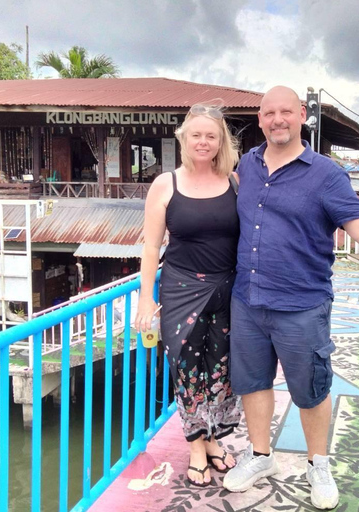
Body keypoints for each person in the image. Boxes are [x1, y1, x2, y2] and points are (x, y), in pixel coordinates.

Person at [222, 86, 359, 509]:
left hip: (302, 304)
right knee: (253, 384)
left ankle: (318, 462)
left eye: (285, 111)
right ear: (259, 119)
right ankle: (260, 456)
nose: (277, 120)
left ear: (301, 115)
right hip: (248, 299)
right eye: (269, 113)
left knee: (311, 389)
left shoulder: (325, 173)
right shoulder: (246, 166)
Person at [134, 103, 242, 487]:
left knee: (221, 369)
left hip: (227, 289)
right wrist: (146, 297)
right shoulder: (167, 184)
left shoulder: (234, 181)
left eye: (211, 136)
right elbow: (151, 247)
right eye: (196, 134)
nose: (203, 141)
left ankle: (214, 439)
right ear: (184, 138)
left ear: (220, 141)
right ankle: (196, 445)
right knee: (187, 370)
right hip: (180, 289)